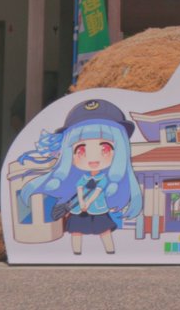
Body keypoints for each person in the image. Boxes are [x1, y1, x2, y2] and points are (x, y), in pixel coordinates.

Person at [20, 99, 142, 255]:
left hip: (97, 208)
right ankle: (76, 254)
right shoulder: (81, 178)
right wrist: (82, 203)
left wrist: (87, 202)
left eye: (105, 148)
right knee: (76, 232)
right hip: (79, 209)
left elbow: (97, 191)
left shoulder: (104, 179)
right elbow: (78, 188)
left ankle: (110, 252)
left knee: (104, 231)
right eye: (81, 150)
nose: (93, 158)